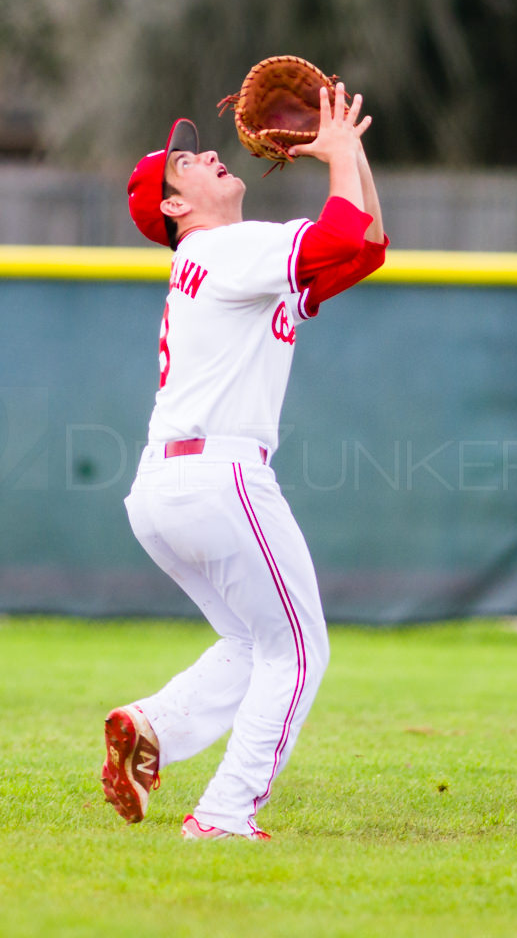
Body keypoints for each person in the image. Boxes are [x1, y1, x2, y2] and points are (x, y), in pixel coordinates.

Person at [101, 83, 388, 840]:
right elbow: (335, 238)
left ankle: (152, 724)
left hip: (164, 487)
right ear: (173, 207)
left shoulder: (228, 259)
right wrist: (333, 158)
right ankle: (226, 813)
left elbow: (364, 250)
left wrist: (347, 154)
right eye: (183, 161)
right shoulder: (228, 248)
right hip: (220, 478)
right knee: (299, 651)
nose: (203, 154)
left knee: (254, 641)